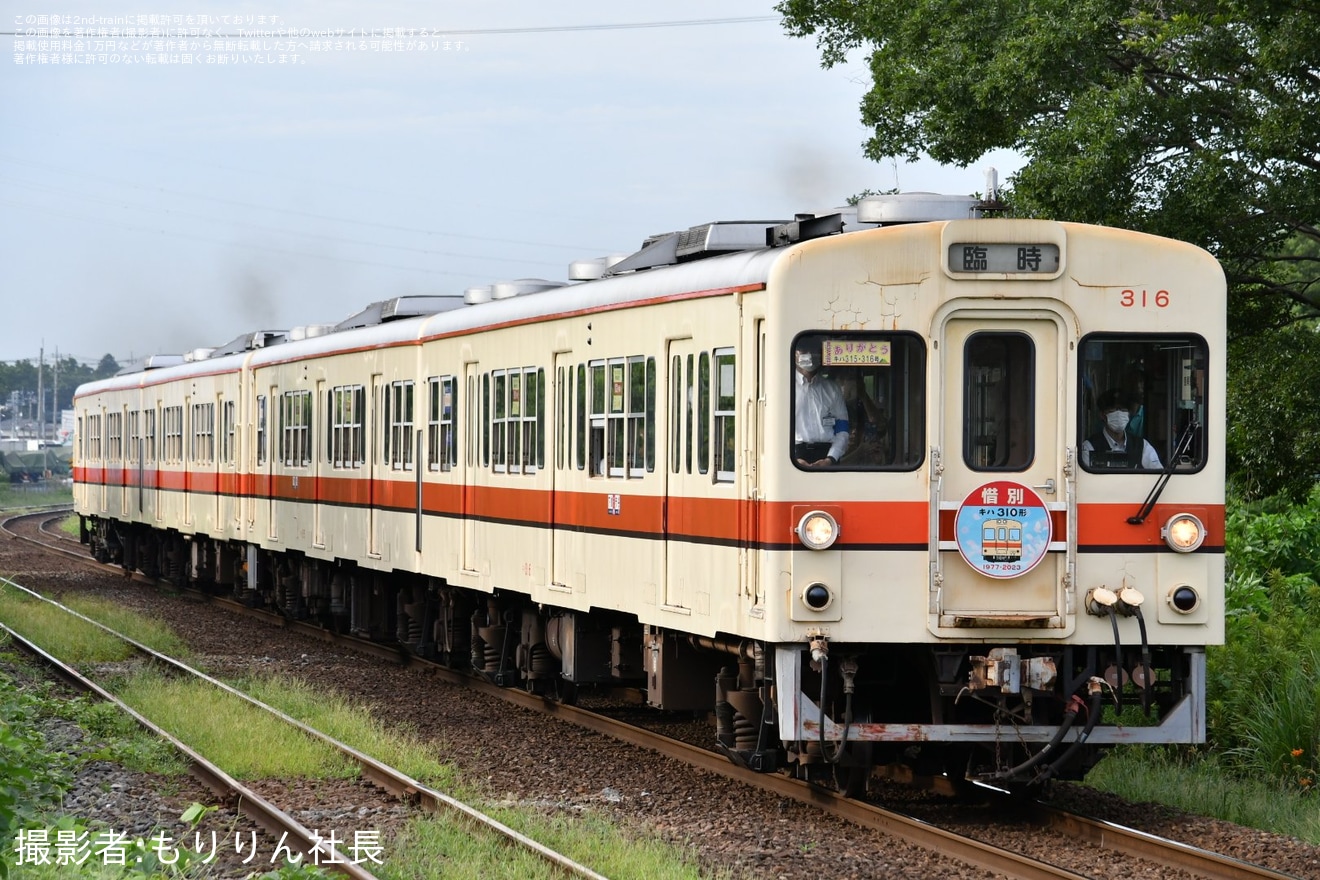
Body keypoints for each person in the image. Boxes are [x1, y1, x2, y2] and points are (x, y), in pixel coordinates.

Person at [793, 343, 849, 468]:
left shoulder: (832, 388)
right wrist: (792, 458)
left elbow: (842, 429)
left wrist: (831, 458)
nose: (810, 355)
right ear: (794, 354)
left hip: (827, 454)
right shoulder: (784, 387)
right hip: (795, 455)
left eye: (814, 350)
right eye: (804, 350)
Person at [1081, 389, 1162, 469]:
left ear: (1128, 414)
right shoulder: (1089, 447)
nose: (1119, 414)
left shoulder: (1142, 446)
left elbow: (1157, 473)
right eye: (1113, 410)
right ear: (1102, 415)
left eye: (1123, 409)